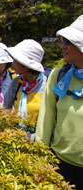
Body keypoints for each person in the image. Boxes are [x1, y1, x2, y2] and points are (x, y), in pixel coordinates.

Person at [36, 15, 83, 189]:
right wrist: (40, 152)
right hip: (61, 162)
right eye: (63, 41)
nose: (62, 46)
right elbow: (46, 116)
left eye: (69, 42)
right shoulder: (58, 76)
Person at [3, 39, 47, 139]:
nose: (13, 63)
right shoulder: (16, 83)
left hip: (39, 142)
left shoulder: (47, 85)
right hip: (16, 139)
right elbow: (5, 109)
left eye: (16, 60)